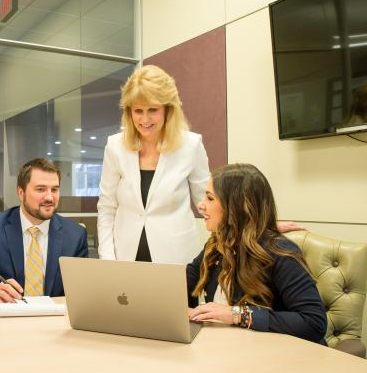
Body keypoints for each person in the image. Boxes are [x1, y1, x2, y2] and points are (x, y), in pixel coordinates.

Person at [97, 65, 303, 264]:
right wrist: (107, 259)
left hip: (176, 257)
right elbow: (107, 208)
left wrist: (257, 225)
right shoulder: (115, 146)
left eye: (153, 110)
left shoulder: (190, 145)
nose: (145, 119)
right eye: (138, 111)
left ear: (168, 110)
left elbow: (210, 201)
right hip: (124, 256)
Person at [187, 163, 326, 343]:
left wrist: (237, 314)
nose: (200, 205)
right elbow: (180, 286)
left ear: (235, 207)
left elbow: (313, 322)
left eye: (210, 198)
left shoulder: (280, 252)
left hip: (279, 358)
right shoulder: (216, 245)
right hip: (230, 352)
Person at [0, 158, 88, 309]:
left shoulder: (76, 235)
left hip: (55, 322)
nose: (49, 197)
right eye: (40, 189)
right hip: (5, 321)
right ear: (21, 192)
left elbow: (81, 290)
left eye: (54, 189)